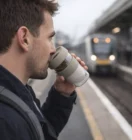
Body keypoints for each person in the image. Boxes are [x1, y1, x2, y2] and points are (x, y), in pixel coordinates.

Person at [0, 0, 88, 140]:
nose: (53, 50)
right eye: (50, 38)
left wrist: (62, 95)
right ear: (24, 39)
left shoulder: (18, 90)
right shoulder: (6, 123)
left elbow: (38, 132)